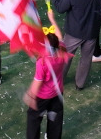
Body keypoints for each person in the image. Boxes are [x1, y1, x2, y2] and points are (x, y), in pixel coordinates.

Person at [51, 0, 101, 90]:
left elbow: (60, 9)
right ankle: (80, 84)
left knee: (65, 57)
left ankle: (59, 81)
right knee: (86, 59)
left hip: (73, 33)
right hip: (91, 32)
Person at [24, 8, 70, 139]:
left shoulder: (42, 62)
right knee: (55, 118)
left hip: (42, 97)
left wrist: (31, 96)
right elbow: (60, 36)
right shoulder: (61, 51)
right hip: (57, 93)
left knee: (34, 119)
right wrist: (52, 20)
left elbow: (37, 82)